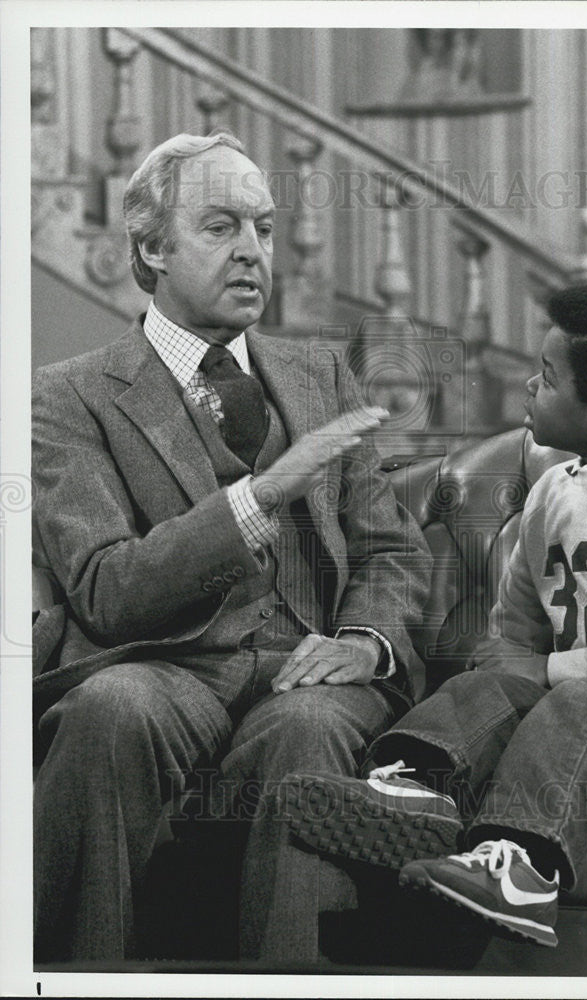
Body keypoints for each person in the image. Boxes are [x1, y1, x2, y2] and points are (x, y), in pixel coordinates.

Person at [32, 130, 432, 964]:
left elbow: (391, 551)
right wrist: (260, 494)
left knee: (310, 727)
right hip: (165, 665)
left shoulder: (322, 375)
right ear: (150, 248)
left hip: (308, 666)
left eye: (265, 227)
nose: (253, 252)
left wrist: (364, 641)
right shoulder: (68, 396)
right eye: (221, 227)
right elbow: (106, 590)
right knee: (111, 710)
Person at [280, 284, 587, 949]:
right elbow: (518, 622)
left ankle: (523, 873)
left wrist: (552, 668)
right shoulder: (555, 491)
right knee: (495, 677)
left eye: (549, 379)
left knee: (581, 698)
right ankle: (419, 790)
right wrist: (507, 668)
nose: (529, 384)